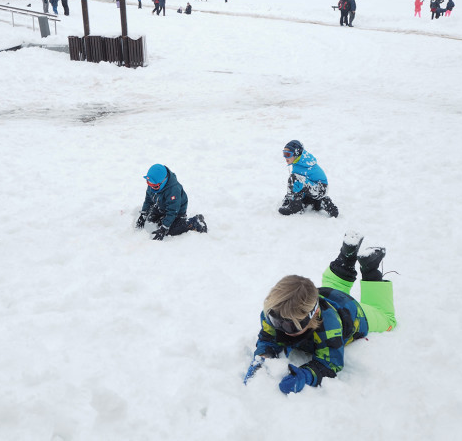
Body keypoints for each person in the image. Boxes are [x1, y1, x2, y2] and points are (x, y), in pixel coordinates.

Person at [243, 232, 396, 393]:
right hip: (326, 295)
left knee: (387, 319)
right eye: (275, 321)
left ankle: (371, 270)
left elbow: (330, 363)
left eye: (290, 326)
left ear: (313, 316)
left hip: (354, 312)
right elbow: (268, 339)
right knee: (332, 285)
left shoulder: (329, 328)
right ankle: (346, 257)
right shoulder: (276, 309)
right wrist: (263, 357)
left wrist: (305, 375)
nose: (280, 328)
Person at [135, 164, 207, 240]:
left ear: (163, 181)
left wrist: (164, 228)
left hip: (176, 211)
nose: (151, 187)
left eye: (155, 186)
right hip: (161, 206)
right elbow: (148, 200)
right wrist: (143, 215)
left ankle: (194, 222)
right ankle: (162, 218)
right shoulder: (153, 183)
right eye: (149, 183)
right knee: (151, 219)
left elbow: (172, 211)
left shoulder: (173, 190)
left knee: (170, 230)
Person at [278, 140, 338, 217]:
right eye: (284, 153)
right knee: (306, 199)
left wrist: (292, 198)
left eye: (288, 154)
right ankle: (320, 202)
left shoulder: (303, 164)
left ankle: (295, 207)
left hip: (320, 188)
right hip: (315, 188)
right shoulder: (299, 162)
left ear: (296, 154)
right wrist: (289, 198)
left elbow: (297, 183)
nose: (285, 157)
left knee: (294, 179)